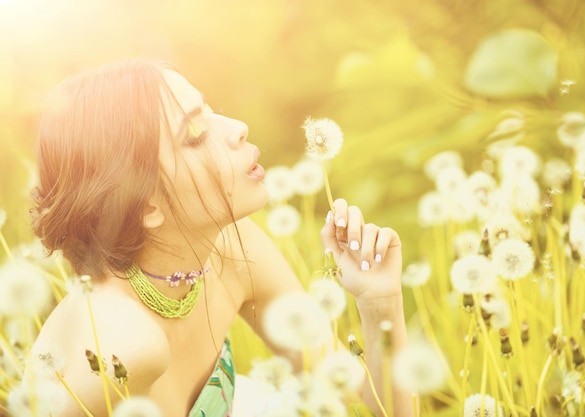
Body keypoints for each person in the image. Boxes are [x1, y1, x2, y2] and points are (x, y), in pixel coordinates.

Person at [26, 59, 414, 416]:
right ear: (146, 207)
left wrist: (380, 303)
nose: (237, 128)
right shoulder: (124, 343)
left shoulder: (232, 249)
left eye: (212, 112)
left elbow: (366, 399)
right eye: (195, 133)